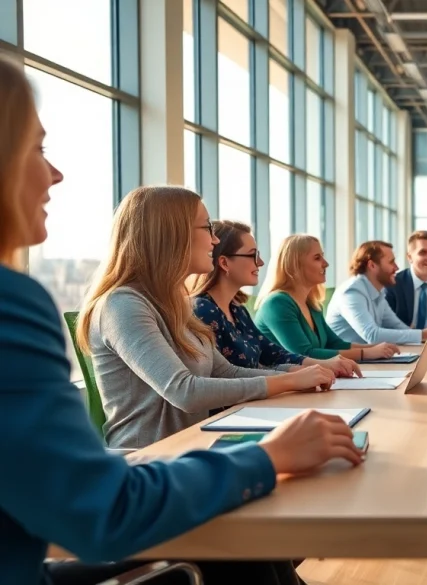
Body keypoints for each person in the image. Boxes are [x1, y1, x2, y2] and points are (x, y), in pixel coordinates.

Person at [0, 54, 361, 585]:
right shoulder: (87, 304)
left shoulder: (178, 306)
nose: (55, 173)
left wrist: (292, 386)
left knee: (264, 553)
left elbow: (219, 373)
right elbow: (177, 402)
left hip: (185, 454)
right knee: (256, 551)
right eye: (37, 148)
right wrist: (269, 455)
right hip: (155, 459)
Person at [78, 187, 338, 450]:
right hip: (149, 461)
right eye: (207, 228)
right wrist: (290, 381)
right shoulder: (122, 305)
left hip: (197, 447)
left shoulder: (176, 304)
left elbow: (227, 371)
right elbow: (185, 392)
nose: (215, 241)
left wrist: (301, 375)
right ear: (172, 235)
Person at [189, 220, 361, 378]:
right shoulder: (204, 310)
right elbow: (227, 375)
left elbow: (273, 354)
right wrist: (296, 376)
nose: (261, 262)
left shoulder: (238, 310)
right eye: (253, 255)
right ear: (225, 263)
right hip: (234, 410)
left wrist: (324, 365)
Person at [252, 235, 399, 361]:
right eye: (317, 258)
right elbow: (304, 354)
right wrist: (366, 353)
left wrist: (378, 348)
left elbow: (335, 343)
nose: (326, 263)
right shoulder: (277, 303)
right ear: (295, 265)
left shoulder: (311, 304)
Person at [326, 241, 427, 345]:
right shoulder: (352, 292)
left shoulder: (378, 293)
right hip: (345, 365)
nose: (396, 267)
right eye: (391, 262)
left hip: (366, 360)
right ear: (372, 265)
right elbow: (372, 335)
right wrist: (425, 334)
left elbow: (399, 328)